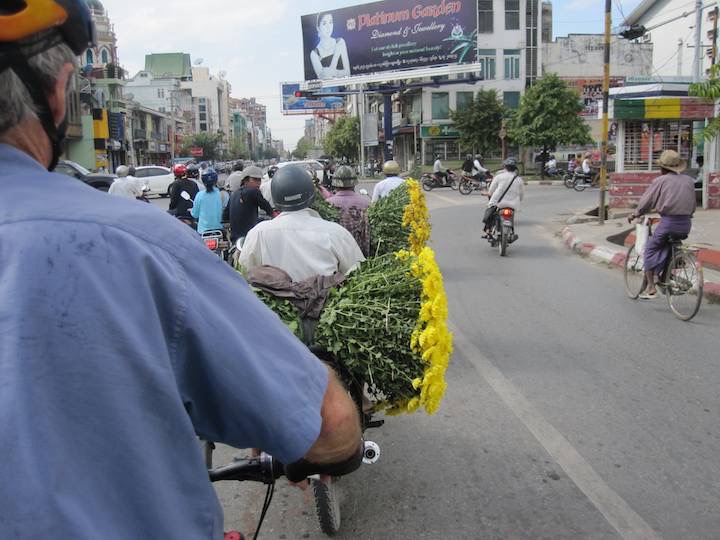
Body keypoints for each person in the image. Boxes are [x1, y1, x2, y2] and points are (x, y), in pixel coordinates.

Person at [0, 2, 362, 538]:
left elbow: (244, 257)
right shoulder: (135, 242)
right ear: (59, 91)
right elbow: (331, 427)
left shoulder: (221, 217)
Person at [239, 165, 365, 281]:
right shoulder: (336, 233)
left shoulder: (258, 234)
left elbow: (244, 273)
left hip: (269, 306)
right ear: (311, 194)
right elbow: (358, 273)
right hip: (327, 303)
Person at [628, 150, 696, 299]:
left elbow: (647, 201)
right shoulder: (689, 180)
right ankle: (666, 275)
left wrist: (636, 213)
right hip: (686, 224)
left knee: (650, 249)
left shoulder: (661, 181)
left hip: (668, 223)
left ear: (663, 168)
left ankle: (651, 288)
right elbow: (693, 206)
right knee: (668, 244)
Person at [327, 165, 371, 255]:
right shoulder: (365, 204)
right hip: (359, 255)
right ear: (354, 183)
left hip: (335, 255)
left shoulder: (327, 205)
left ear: (335, 183)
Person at [228, 165, 274, 243]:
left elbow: (225, 216)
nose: (258, 183)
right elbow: (267, 208)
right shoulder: (253, 191)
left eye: (259, 180)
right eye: (255, 179)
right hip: (249, 237)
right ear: (245, 179)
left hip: (235, 239)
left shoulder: (234, 193)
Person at [483, 157, 525, 237]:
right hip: (513, 204)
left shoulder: (499, 176)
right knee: (511, 216)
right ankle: (511, 232)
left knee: (491, 213)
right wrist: (518, 200)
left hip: (498, 203)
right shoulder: (519, 179)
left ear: (505, 167)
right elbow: (521, 195)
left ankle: (488, 230)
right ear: (515, 168)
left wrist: (488, 193)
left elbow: (491, 191)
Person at [309, 12, 350, 80]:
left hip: (344, 86)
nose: (328, 27)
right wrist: (336, 56)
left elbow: (348, 73)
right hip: (327, 90)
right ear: (318, 28)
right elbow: (324, 80)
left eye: (330, 22)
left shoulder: (340, 42)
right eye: (324, 23)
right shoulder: (314, 54)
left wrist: (329, 72)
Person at [191, 168, 229, 234]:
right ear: (216, 179)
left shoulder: (199, 195)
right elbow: (227, 211)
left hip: (203, 232)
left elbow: (195, 215)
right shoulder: (223, 194)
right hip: (220, 230)